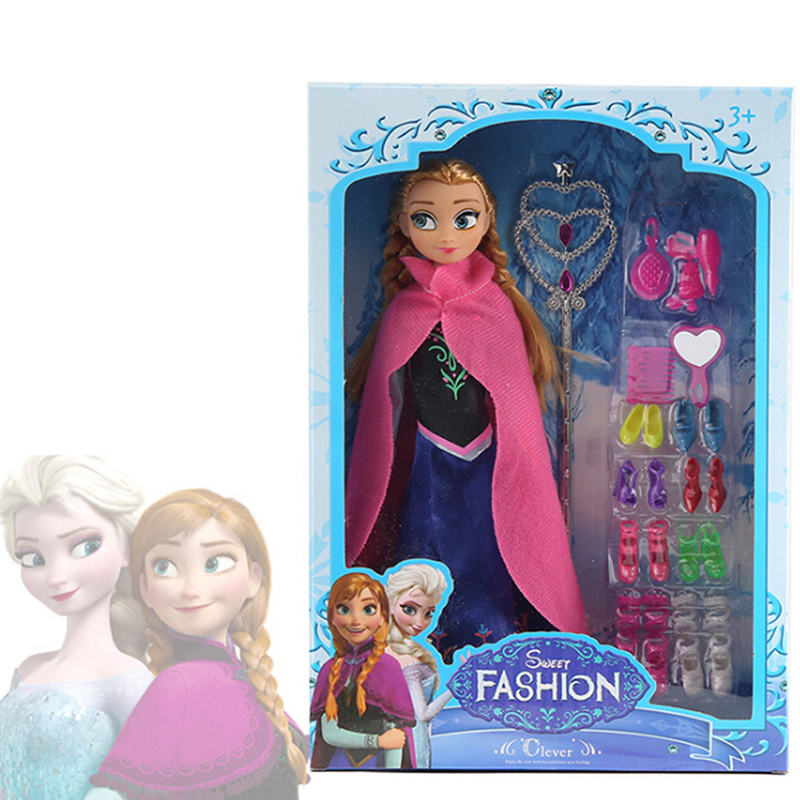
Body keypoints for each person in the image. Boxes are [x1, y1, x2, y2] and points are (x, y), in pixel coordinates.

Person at [345, 159, 587, 659]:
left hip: (488, 462)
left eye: (464, 218)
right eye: (425, 218)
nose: (446, 234)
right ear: (404, 224)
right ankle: (420, 644)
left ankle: (493, 639)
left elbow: (516, 403)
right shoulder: (404, 309)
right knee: (424, 539)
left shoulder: (494, 307)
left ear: (486, 221)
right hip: (428, 458)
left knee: (492, 547)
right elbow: (383, 408)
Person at [90, 488, 307, 798]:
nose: (191, 589)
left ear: (254, 576)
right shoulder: (179, 684)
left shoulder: (244, 677)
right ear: (145, 588)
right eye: (164, 567)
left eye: (215, 563)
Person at [0, 455, 152, 800]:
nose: (56, 576)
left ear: (126, 548)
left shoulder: (127, 681)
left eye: (85, 546)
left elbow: (157, 784)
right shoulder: (27, 670)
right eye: (33, 558)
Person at [310, 572, 415, 769]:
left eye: (368, 609)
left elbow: (396, 738)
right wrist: (377, 741)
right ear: (331, 616)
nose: (356, 621)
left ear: (383, 616)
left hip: (378, 766)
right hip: (338, 766)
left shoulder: (388, 667)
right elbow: (329, 734)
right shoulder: (329, 670)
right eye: (344, 609)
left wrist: (393, 778)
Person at [385, 562, 451, 768]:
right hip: (413, 745)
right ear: (390, 603)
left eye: (428, 613)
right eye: (409, 609)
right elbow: (422, 715)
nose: (420, 622)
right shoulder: (406, 660)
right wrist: (457, 686)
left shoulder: (391, 650)